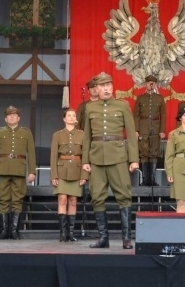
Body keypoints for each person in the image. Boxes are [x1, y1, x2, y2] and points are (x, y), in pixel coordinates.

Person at [81, 71, 139, 249]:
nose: (106, 89)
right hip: (97, 157)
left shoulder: (122, 105)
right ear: (96, 89)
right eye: (103, 86)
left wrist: (133, 159)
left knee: (124, 196)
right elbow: (87, 137)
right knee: (97, 197)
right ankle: (103, 239)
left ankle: (126, 239)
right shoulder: (90, 108)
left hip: (118, 156)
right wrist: (85, 160)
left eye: (109, 85)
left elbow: (130, 133)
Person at [0, 106, 37, 240]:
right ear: (5, 118)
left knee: (17, 199)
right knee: (3, 199)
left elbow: (31, 153)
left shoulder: (26, 132)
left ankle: (14, 230)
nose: (12, 117)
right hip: (2, 169)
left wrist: (32, 171)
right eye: (9, 115)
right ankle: (5, 230)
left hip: (19, 169)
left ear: (19, 118)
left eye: (14, 115)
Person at [50, 108, 88, 242]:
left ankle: (70, 233)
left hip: (77, 170)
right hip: (61, 170)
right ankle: (62, 233)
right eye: (69, 116)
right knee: (62, 200)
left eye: (73, 116)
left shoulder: (82, 135)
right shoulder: (57, 135)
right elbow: (54, 156)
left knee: (73, 201)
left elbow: (85, 156)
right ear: (64, 119)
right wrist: (53, 175)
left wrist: (84, 175)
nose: (71, 117)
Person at [134, 75, 166, 186]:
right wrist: (136, 130)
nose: (150, 85)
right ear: (145, 84)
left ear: (155, 84)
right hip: (143, 127)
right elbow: (136, 115)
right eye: (148, 83)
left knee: (153, 153)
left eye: (152, 83)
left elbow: (163, 115)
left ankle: (152, 179)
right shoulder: (140, 98)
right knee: (143, 153)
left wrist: (162, 130)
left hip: (155, 127)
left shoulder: (160, 98)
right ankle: (144, 180)